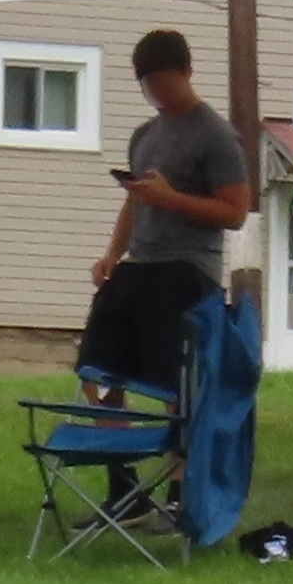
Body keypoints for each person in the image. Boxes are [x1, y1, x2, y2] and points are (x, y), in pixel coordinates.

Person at [79, 28, 254, 406]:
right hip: (139, 266)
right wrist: (112, 254)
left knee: (172, 377)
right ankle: (116, 448)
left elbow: (235, 212)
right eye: (149, 86)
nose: (158, 92)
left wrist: (171, 198)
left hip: (186, 270)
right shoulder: (143, 136)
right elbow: (135, 203)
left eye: (164, 83)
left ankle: (180, 457)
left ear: (187, 73)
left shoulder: (216, 136)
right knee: (96, 365)